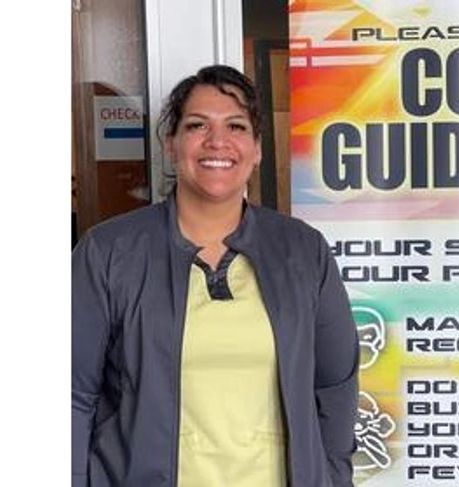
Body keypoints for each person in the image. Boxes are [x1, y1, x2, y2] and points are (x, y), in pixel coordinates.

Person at [72, 65, 359, 486]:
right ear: (171, 144)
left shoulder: (302, 251)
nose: (217, 141)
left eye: (237, 126)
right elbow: (72, 395)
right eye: (196, 125)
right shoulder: (108, 252)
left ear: (258, 147)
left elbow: (335, 389)